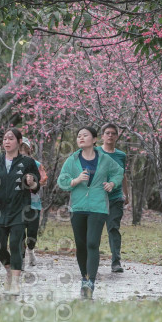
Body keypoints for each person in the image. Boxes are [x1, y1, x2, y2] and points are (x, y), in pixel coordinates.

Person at [57, 126, 123, 299]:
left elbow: (118, 172)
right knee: (81, 245)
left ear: (94, 140)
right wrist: (76, 180)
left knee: (92, 243)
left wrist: (112, 184)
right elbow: (62, 180)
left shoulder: (105, 159)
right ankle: (84, 277)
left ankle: (90, 282)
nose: (81, 138)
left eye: (85, 135)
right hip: (77, 207)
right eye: (79, 135)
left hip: (98, 206)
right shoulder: (72, 160)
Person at [0, 128, 40, 295]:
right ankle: (8, 269)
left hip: (19, 209)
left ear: (19, 141)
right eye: (5, 139)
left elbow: (36, 186)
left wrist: (31, 183)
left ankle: (15, 282)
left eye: (11, 138)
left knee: (16, 244)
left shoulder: (28, 162)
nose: (7, 141)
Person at [97, 124, 129, 273]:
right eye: (107, 133)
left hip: (115, 198)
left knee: (113, 229)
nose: (110, 135)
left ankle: (116, 262)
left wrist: (126, 194)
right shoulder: (95, 152)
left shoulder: (121, 155)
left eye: (113, 133)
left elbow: (123, 175)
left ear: (116, 136)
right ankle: (92, 261)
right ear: (102, 136)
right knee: (94, 231)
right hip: (97, 199)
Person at [19, 137, 48, 266]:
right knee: (19, 232)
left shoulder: (35, 164)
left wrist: (33, 183)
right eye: (19, 148)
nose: (21, 151)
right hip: (17, 204)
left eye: (24, 148)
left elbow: (44, 180)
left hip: (33, 203)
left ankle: (30, 250)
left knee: (32, 232)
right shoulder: (12, 164)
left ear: (29, 149)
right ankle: (20, 258)